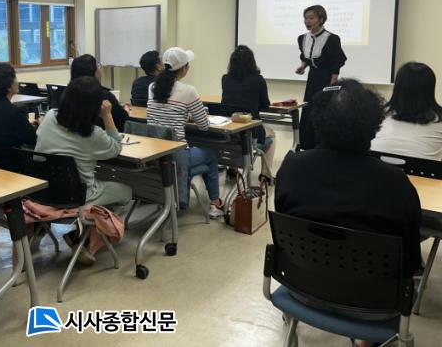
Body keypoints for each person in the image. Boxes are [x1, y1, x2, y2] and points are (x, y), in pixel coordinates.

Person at [275, 79, 421, 283]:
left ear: (317, 121)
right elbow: (411, 263)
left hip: (301, 285)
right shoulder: (395, 182)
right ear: (374, 124)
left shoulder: (291, 167)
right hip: (373, 298)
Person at [36, 76, 132, 264]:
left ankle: (87, 228)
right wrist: (107, 116)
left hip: (44, 193)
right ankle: (86, 240)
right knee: (126, 192)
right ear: (94, 106)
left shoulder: (49, 117)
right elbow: (116, 148)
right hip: (79, 196)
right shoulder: (93, 134)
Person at [147, 47, 224, 218]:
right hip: (176, 156)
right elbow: (204, 126)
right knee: (211, 154)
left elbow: (164, 110)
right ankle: (215, 203)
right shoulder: (188, 91)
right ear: (183, 68)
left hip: (154, 154)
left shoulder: (152, 87)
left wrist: (184, 114)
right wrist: (194, 115)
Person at [295, 5, 347, 150]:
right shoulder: (302, 38)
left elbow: (336, 62)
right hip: (312, 78)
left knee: (324, 111)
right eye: (305, 18)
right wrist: (303, 66)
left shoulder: (331, 39)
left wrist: (332, 84)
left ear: (321, 19)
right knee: (309, 109)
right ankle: (307, 145)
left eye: (311, 18)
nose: (307, 21)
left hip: (327, 78)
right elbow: (306, 56)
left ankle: (323, 146)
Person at [221, 45, 275, 180]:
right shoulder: (258, 80)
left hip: (229, 132)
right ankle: (265, 174)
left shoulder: (225, 79)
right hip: (250, 132)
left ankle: (233, 169)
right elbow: (265, 105)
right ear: (252, 62)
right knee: (272, 134)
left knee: (238, 131)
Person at [371, 62, 442, 160]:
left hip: (376, 168)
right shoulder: (439, 119)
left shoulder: (377, 113)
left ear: (397, 87)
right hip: (421, 170)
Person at [70, 54, 130, 131]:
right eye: (98, 66)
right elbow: (123, 117)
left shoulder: (69, 93)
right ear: (94, 72)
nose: (100, 69)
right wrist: (126, 108)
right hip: (105, 135)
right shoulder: (104, 96)